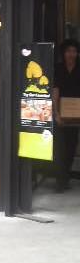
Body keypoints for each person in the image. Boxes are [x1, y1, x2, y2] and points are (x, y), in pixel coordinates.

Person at [53, 39, 80, 191]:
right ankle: (60, 181)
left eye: (74, 51)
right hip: (60, 115)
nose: (71, 54)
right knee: (60, 150)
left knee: (71, 148)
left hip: (76, 116)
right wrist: (56, 113)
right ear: (63, 53)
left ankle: (66, 177)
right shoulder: (58, 68)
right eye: (68, 51)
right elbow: (55, 92)